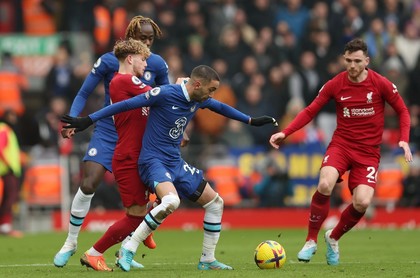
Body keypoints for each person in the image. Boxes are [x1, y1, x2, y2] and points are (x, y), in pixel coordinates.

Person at [61, 65, 278, 271]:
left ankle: (208, 259)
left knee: (215, 203)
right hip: (152, 161)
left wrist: (251, 120)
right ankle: (128, 248)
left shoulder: (200, 99)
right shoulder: (164, 93)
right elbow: (126, 104)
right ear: (197, 85)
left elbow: (221, 108)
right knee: (171, 201)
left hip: (175, 162)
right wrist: (88, 120)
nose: (211, 95)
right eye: (210, 89)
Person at [269, 38, 413, 266]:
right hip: (342, 145)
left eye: (357, 61)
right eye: (348, 60)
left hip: (368, 153)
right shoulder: (335, 84)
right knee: (325, 184)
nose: (352, 66)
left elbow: (403, 111)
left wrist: (404, 140)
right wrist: (285, 132)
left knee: (362, 202)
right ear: (344, 60)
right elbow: (310, 111)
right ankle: (310, 240)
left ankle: (333, 237)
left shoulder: (381, 83)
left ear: (367, 61)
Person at [54, 15, 175, 269]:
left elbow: (168, 100)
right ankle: (71, 242)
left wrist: (179, 130)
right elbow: (85, 91)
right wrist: (74, 120)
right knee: (89, 181)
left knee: (141, 195)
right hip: (109, 128)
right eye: (142, 38)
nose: (147, 43)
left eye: (150, 39)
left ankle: (126, 247)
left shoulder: (158, 64)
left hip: (139, 133)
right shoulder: (111, 61)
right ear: (131, 37)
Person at [0, 110, 23, 238]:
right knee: (10, 198)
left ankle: (4, 226)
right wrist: (8, 164)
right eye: (12, 116)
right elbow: (0, 148)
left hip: (6, 169)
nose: (14, 118)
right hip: (7, 170)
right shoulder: (5, 129)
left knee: (6, 198)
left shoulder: (4, 129)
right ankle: (5, 226)